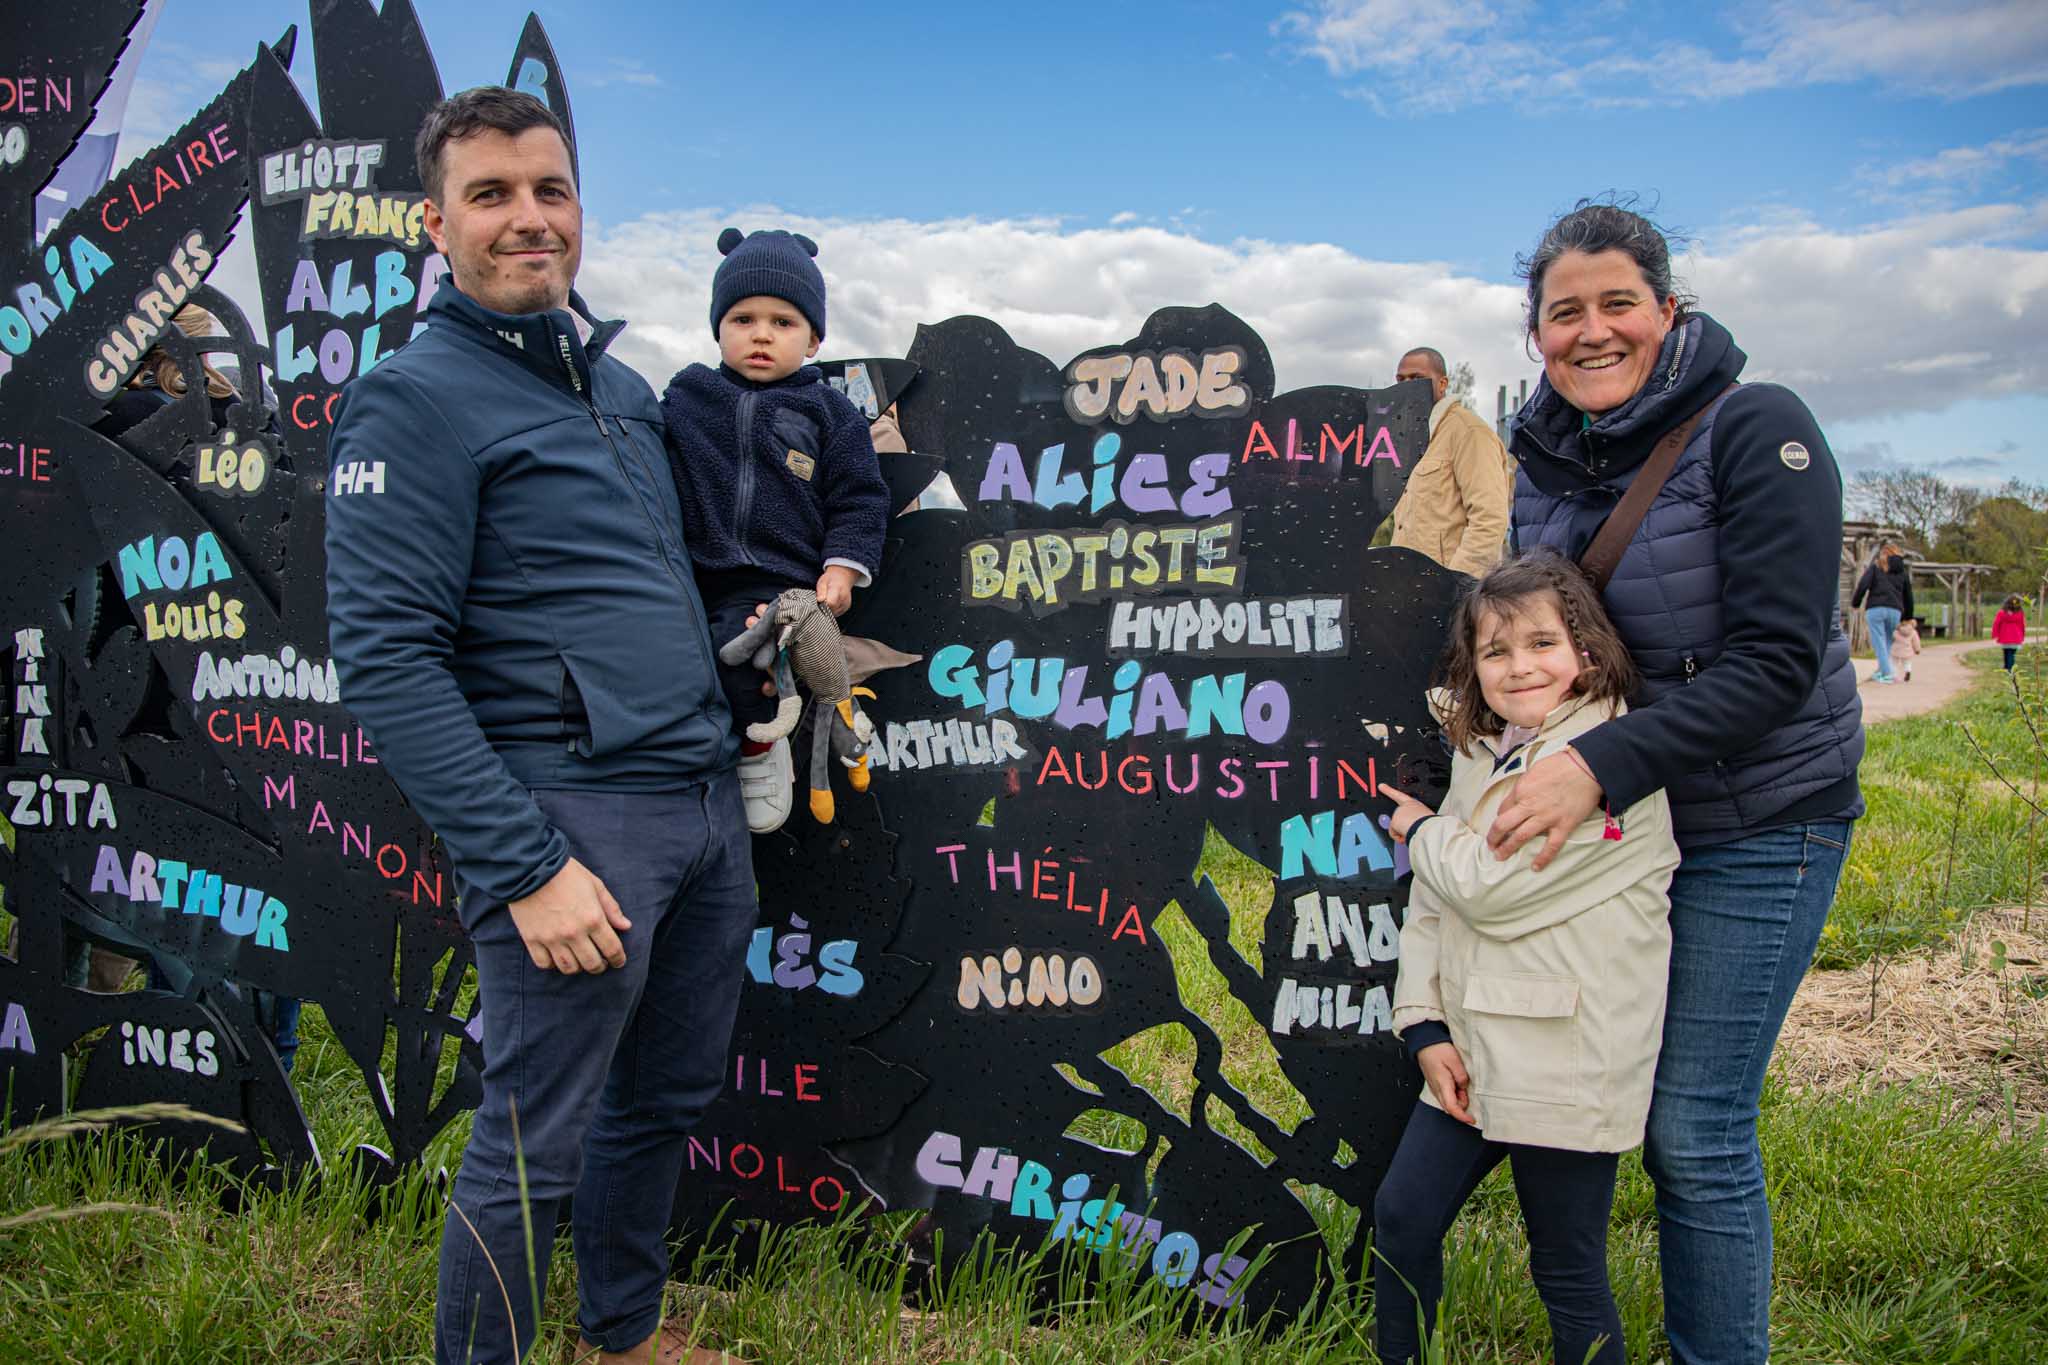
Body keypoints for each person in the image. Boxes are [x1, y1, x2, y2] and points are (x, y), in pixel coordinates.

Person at [324, 87, 755, 1365]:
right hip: (572, 826)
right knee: (530, 1145)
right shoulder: (413, 400)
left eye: (548, 191)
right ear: (436, 222)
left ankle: (614, 1340)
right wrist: (525, 867)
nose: (527, 219)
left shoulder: (617, 386)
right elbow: (387, 660)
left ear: (580, 209)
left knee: (662, 1103)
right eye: (491, 195)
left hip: (701, 811)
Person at [1491, 200, 1863, 1365]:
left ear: (1666, 310)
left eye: (1617, 305)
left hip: (1756, 818)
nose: (1591, 331)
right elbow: (1529, 650)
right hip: (1621, 836)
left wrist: (1589, 771)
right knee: (1589, 1097)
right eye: (1565, 312)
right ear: (1533, 333)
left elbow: (1771, 665)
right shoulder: (1538, 460)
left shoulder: (1758, 430)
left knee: (1693, 1127)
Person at [1375, 550, 1678, 1365]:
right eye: (1496, 651)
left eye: (1542, 643)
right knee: (1401, 1220)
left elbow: (1486, 887)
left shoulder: (1611, 762)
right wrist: (1423, 1024)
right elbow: (1433, 905)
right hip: (1472, 1048)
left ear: (1586, 647)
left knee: (1567, 1267)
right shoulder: (1483, 750)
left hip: (1565, 1052)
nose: (1521, 667)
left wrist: (1421, 830)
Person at [660, 228, 889, 833]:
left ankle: (760, 751)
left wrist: (842, 565)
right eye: (743, 319)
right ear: (718, 328)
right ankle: (690, 774)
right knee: (677, 672)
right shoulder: (687, 398)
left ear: (814, 339)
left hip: (776, 586)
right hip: (689, 572)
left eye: (783, 323)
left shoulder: (829, 414)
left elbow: (860, 497)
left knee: (744, 669)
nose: (761, 334)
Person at [1387, 347, 1514, 576]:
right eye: (1401, 379)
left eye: (1417, 378)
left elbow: (1489, 520)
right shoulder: (1409, 438)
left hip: (1448, 593)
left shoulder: (1468, 431)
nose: (1407, 385)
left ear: (1442, 383)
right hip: (1410, 586)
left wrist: (1456, 586)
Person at [1851, 542, 1915, 684]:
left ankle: (1888, 673)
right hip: (1895, 611)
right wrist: (1908, 616)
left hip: (1876, 609)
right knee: (1886, 642)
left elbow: (1863, 585)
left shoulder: (1876, 567)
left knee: (1879, 641)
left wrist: (1856, 602)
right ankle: (1882, 671)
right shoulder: (1902, 572)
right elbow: (1908, 595)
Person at [1994, 595, 2026, 671]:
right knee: (2012, 653)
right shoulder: (2020, 613)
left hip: (2004, 636)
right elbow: (2022, 625)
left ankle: (2007, 667)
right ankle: (2010, 668)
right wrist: (2022, 635)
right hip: (2016, 637)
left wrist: (1995, 633)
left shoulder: (2001, 613)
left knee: (2006, 651)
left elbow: (1996, 623)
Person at [1892, 615, 1922, 683]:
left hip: (1896, 650)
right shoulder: (1913, 632)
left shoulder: (1896, 631)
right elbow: (1916, 641)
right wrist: (1917, 650)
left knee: (1894, 663)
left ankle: (1894, 676)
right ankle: (1908, 671)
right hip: (1907, 651)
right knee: (1907, 663)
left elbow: (1891, 639)